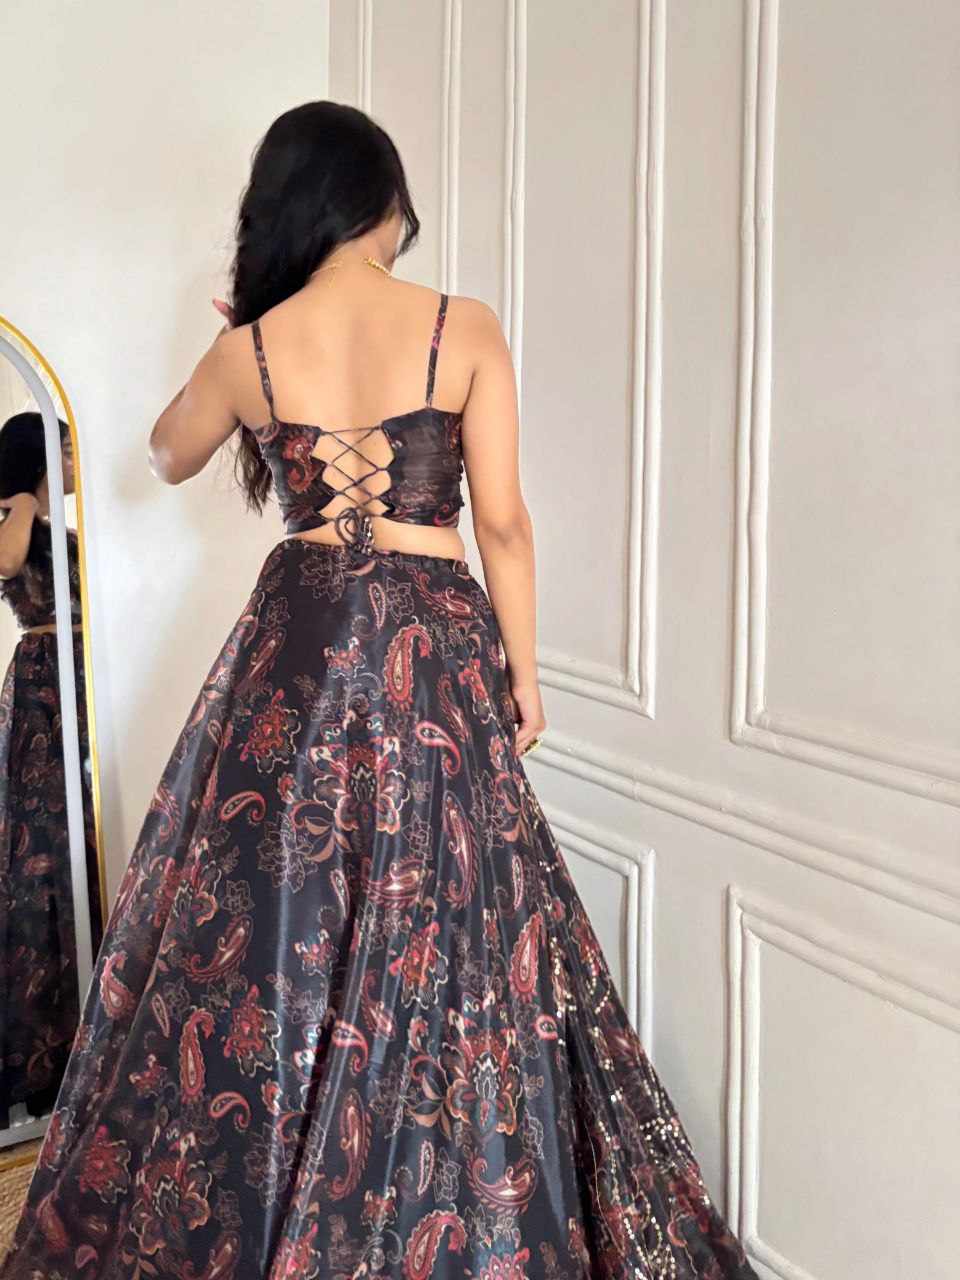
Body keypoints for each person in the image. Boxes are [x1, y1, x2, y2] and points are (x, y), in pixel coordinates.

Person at [0, 102, 757, 1279]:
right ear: (379, 202)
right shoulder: (462, 325)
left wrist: (239, 332)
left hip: (298, 648)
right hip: (434, 643)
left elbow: (163, 452)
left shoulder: (251, 348)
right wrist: (525, 673)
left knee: (276, 913)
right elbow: (504, 523)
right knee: (457, 907)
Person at [0, 412, 102, 1127]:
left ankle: (82, 1034)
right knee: (41, 852)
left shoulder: (66, 521)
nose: (73, 460)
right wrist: (21, 501)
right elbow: (7, 565)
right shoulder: (14, 518)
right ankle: (40, 1053)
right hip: (44, 684)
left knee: (86, 843)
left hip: (84, 676)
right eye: (64, 450)